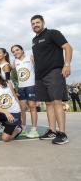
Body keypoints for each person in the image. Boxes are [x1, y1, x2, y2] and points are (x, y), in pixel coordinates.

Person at [31, 15, 73, 145]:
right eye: (33, 23)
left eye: (37, 22)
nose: (35, 25)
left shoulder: (53, 33)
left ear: (43, 23)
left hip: (54, 72)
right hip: (40, 75)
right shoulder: (34, 40)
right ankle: (52, 131)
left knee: (56, 102)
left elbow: (68, 47)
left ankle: (62, 134)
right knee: (48, 103)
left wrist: (67, 64)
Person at [11, 45, 39, 138]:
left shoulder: (30, 57)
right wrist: (15, 87)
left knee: (32, 106)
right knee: (22, 108)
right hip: (21, 87)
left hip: (31, 85)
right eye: (13, 51)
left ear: (22, 50)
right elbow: (11, 74)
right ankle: (23, 129)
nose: (15, 52)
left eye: (17, 50)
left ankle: (34, 130)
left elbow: (38, 68)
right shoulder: (15, 62)